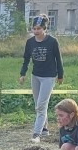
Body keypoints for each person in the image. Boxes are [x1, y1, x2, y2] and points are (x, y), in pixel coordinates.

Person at [19, 15, 64, 143]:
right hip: (36, 76)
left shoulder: (52, 42)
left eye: (39, 28)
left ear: (45, 29)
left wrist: (60, 75)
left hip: (49, 77)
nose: (36, 31)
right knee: (38, 105)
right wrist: (23, 73)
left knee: (41, 106)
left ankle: (36, 134)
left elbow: (58, 59)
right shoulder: (30, 42)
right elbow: (26, 59)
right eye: (34, 28)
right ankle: (44, 129)